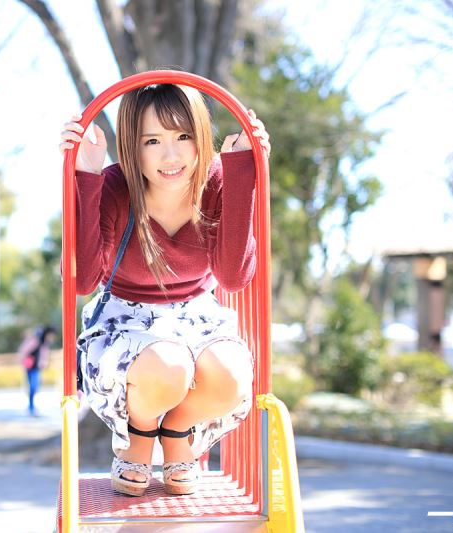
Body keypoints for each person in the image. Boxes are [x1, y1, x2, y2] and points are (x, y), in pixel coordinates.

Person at [59, 83, 271, 497]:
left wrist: (243, 170)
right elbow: (83, 281)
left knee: (232, 374)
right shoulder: (116, 187)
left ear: (201, 136)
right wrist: (85, 174)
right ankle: (138, 437)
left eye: (183, 136)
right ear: (132, 147)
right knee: (168, 364)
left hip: (197, 314)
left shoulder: (215, 181)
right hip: (124, 319)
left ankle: (177, 433)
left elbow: (232, 277)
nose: (171, 156)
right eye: (152, 141)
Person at [18, 325, 57, 416]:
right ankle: (31, 407)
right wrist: (24, 361)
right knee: (33, 387)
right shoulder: (36, 341)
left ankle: (31, 407)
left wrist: (43, 364)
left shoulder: (44, 343)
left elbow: (44, 356)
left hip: (35, 368)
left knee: (34, 387)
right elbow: (24, 351)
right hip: (30, 367)